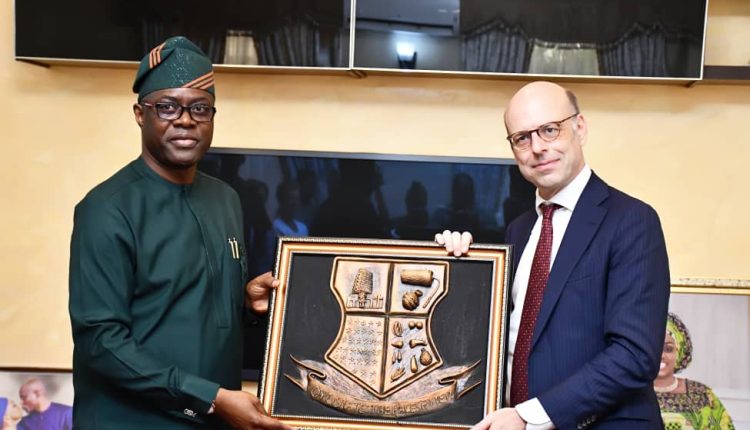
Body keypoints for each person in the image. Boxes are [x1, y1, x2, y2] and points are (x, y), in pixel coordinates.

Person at [68, 36, 293, 430]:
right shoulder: (106, 209)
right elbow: (100, 342)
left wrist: (246, 304)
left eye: (199, 108)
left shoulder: (226, 199)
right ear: (140, 114)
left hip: (211, 420)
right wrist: (210, 398)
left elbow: (191, 310)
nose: (185, 120)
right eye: (167, 107)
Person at [437, 81, 671, 429]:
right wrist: (459, 267)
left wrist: (529, 415)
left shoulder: (632, 220)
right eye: (522, 138)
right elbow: (493, 338)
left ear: (580, 127)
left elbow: (634, 355)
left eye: (549, 130)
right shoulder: (517, 231)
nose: (537, 148)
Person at [655, 313, 735, 430]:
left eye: (668, 349)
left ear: (680, 351)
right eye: (655, 349)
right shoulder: (631, 392)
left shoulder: (701, 394)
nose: (661, 356)